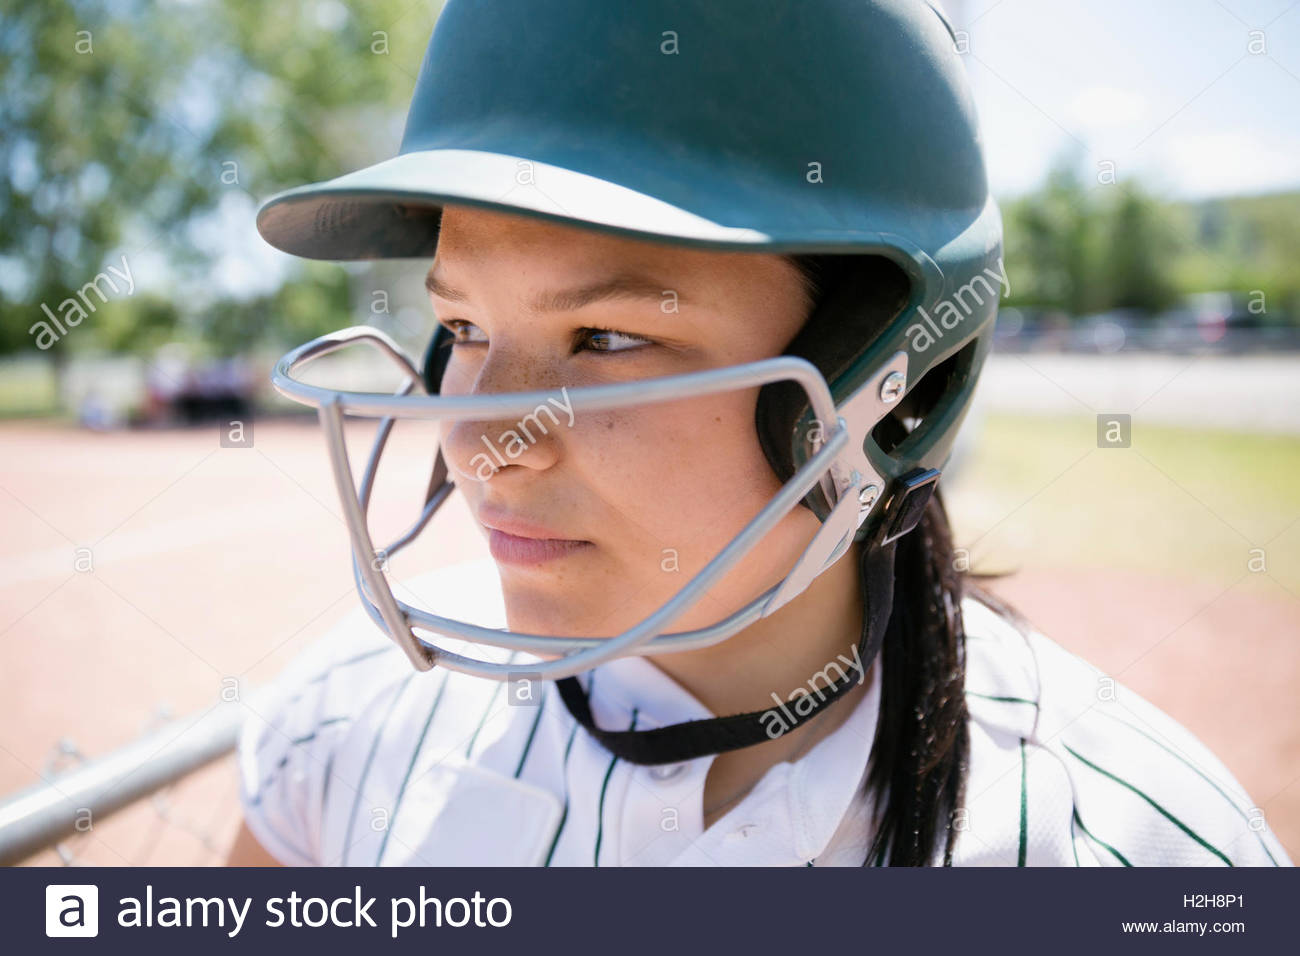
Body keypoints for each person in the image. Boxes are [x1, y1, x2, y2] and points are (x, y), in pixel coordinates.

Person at [227, 0, 1290, 867]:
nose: (486, 442)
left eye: (604, 335)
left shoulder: (1138, 854)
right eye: (462, 326)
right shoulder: (343, 727)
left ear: (891, 379)